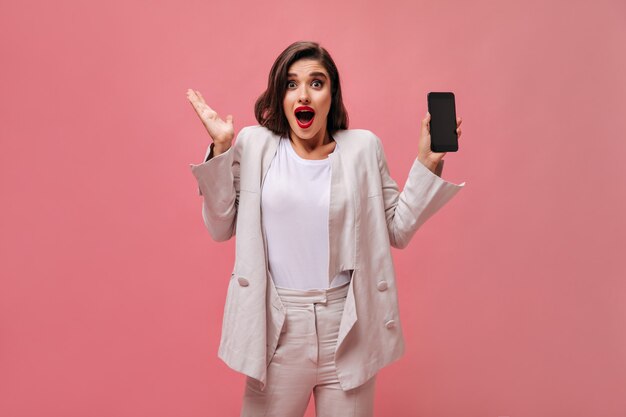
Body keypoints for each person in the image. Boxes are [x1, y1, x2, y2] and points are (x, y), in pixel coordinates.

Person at [187, 40, 466, 417]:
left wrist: (427, 163)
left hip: (348, 324)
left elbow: (396, 230)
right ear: (280, 95)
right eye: (291, 84)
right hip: (277, 326)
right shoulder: (255, 145)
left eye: (316, 83)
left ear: (332, 94)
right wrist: (221, 147)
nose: (303, 94)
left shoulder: (364, 148)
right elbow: (220, 226)